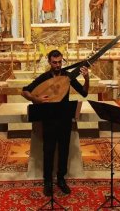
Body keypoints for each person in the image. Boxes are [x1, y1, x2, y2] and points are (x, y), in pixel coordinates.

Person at [21, 50, 89, 196]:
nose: (57, 65)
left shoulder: (68, 77)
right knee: (49, 150)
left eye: (59, 62)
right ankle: (47, 182)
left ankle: (61, 179)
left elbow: (84, 93)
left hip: (64, 118)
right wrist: (36, 99)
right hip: (49, 119)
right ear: (49, 62)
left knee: (64, 150)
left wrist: (87, 78)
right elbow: (25, 91)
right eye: (54, 62)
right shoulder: (44, 78)